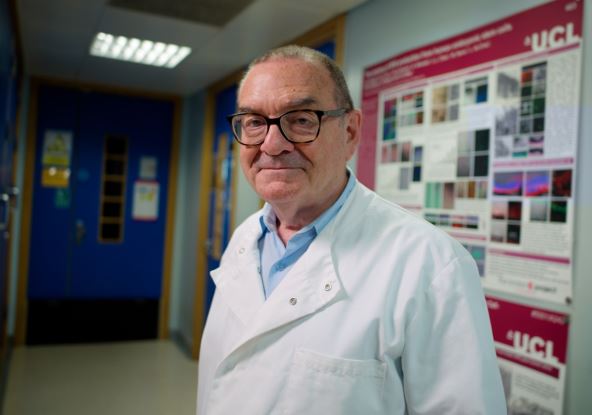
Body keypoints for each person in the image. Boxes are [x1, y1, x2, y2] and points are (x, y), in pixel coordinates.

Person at [197, 45, 506, 415]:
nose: (272, 144)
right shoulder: (245, 239)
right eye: (253, 122)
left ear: (350, 131)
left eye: (301, 119)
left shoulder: (431, 262)